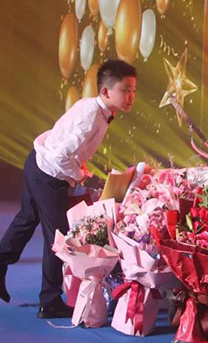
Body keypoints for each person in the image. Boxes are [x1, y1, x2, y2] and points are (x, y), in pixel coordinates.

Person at [0, 60, 137, 318]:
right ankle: (49, 301)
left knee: (27, 219)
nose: (131, 96)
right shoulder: (91, 116)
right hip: (48, 172)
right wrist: (81, 177)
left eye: (133, 90)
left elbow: (67, 147)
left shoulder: (96, 110)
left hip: (38, 162)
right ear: (106, 91)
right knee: (59, 238)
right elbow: (62, 156)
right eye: (125, 90)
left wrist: (81, 173)